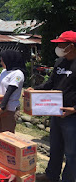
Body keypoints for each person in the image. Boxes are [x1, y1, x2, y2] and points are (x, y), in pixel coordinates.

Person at [33, 31, 76, 182]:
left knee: (71, 153)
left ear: (71, 46)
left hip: (72, 116)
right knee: (56, 148)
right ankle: (51, 176)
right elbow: (50, 84)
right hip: (56, 111)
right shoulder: (60, 62)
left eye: (61, 44)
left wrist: (74, 109)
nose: (58, 47)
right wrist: (35, 90)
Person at [0, 50, 26, 134]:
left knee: (7, 134)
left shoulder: (18, 74)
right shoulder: (4, 71)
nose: (1, 62)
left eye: (2, 60)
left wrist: (2, 108)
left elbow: (9, 91)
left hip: (9, 108)